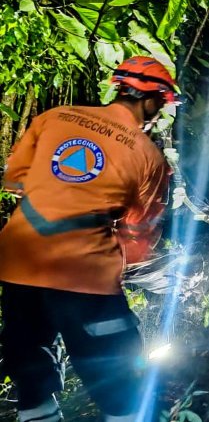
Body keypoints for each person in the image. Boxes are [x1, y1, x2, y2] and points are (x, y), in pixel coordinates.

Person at [0, 56, 178, 422]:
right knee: (117, 368)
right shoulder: (148, 156)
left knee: (29, 360)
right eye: (161, 103)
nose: (160, 111)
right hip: (82, 270)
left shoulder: (55, 117)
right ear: (150, 100)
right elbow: (138, 239)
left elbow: (15, 180)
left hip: (17, 258)